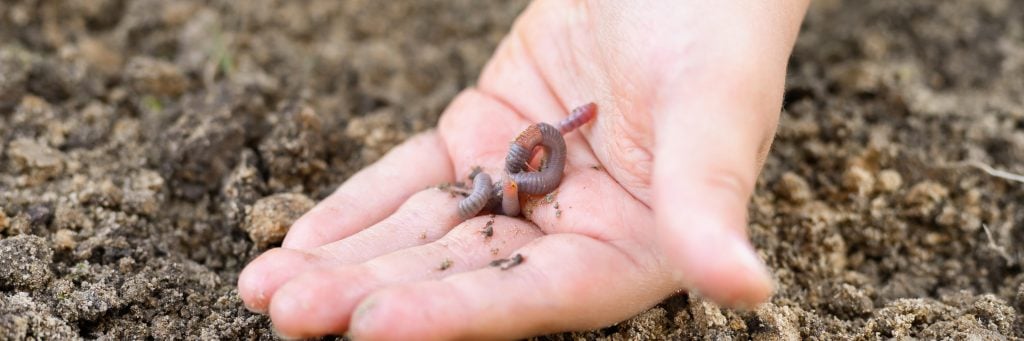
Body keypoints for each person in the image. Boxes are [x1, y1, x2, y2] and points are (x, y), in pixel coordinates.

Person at [238, 1, 810, 339]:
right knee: (497, 187)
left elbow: (541, 153)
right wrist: (495, 194)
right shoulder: (521, 166)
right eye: (577, 121)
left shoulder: (540, 156)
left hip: (516, 178)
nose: (572, 126)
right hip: (504, 184)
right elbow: (523, 166)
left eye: (575, 122)